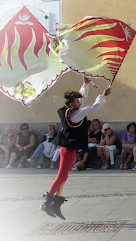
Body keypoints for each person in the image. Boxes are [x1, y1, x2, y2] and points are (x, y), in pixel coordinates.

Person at [41, 78, 110, 219]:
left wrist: (85, 84)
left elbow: (81, 98)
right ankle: (47, 203)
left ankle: (55, 203)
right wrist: (103, 95)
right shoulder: (76, 113)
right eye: (77, 101)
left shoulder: (68, 110)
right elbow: (92, 108)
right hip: (67, 148)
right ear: (72, 104)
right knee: (61, 176)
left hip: (69, 147)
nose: (80, 102)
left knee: (64, 176)